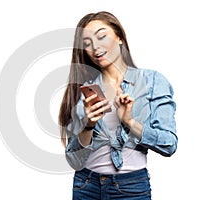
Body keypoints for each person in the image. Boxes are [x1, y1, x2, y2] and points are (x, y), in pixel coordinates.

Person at [58, 11, 177, 200]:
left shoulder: (152, 81)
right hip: (86, 185)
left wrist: (129, 122)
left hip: (131, 187)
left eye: (101, 36)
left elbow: (169, 145)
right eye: (87, 43)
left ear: (119, 37)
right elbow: (74, 159)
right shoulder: (84, 91)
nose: (95, 47)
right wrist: (88, 125)